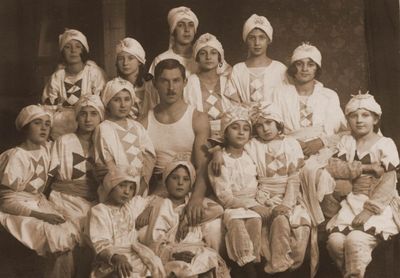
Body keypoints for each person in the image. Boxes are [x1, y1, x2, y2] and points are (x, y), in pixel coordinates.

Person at [142, 59, 223, 252]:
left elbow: (203, 166)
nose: (171, 88)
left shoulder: (197, 118)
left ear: (185, 82)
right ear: (155, 84)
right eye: (164, 81)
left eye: (176, 81)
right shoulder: (144, 121)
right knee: (146, 233)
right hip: (160, 195)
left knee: (213, 229)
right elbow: (143, 172)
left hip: (190, 191)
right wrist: (146, 205)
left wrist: (195, 198)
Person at [325, 92, 400, 277]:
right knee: (335, 241)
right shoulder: (346, 141)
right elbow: (335, 168)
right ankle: (352, 274)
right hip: (351, 203)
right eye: (353, 116)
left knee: (355, 240)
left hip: (378, 205)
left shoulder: (385, 143)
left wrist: (369, 210)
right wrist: (366, 168)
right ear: (348, 119)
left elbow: (388, 182)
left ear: (375, 119)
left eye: (365, 115)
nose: (359, 120)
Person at [0, 105, 79, 277]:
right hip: (17, 210)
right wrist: (43, 216)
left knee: (69, 229)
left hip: (37, 202)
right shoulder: (16, 156)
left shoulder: (45, 150)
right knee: (57, 237)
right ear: (25, 127)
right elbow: (6, 202)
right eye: (37, 123)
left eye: (47, 124)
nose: (44, 128)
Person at [247, 102, 311, 274]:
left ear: (278, 123)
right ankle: (276, 263)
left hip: (289, 195)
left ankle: (283, 264)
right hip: (263, 194)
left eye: (269, 123)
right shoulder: (252, 145)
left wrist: (287, 203)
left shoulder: (290, 144)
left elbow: (293, 178)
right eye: (259, 126)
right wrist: (262, 198)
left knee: (295, 223)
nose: (265, 129)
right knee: (274, 221)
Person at [145, 159, 229, 278]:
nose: (180, 183)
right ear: (166, 181)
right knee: (184, 270)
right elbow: (155, 241)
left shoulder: (193, 203)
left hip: (197, 249)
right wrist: (174, 254)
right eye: (174, 178)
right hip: (173, 253)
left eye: (185, 179)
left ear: (191, 184)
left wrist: (187, 219)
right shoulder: (163, 205)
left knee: (209, 260)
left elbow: (218, 209)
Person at [208, 106, 265, 277]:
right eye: (235, 127)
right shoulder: (220, 160)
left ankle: (251, 263)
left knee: (255, 222)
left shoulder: (250, 155)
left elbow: (259, 180)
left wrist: (260, 202)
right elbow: (224, 196)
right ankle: (247, 268)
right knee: (237, 222)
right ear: (225, 133)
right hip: (233, 206)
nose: (241, 133)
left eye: (246, 129)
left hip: (253, 203)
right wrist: (217, 151)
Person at [86, 167, 165, 278]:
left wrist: (147, 211)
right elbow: (100, 243)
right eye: (122, 185)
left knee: (151, 269)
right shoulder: (99, 211)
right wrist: (117, 257)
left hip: (135, 254)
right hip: (111, 258)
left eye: (131, 188)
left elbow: (156, 198)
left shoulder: (131, 206)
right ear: (111, 186)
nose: (127, 191)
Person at [272, 42, 347, 159]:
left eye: (311, 64)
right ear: (293, 67)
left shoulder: (329, 96)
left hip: (325, 153)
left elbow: (345, 131)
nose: (305, 69)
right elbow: (273, 129)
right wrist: (293, 144)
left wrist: (322, 141)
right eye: (299, 64)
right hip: (288, 153)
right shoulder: (280, 94)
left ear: (317, 68)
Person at [48, 95, 104, 238]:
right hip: (65, 198)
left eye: (93, 114)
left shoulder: (104, 144)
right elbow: (50, 175)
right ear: (76, 117)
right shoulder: (63, 141)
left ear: (101, 117)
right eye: (83, 114)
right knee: (71, 231)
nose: (88, 119)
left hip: (95, 199)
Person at [94, 77, 155, 195]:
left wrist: (141, 185)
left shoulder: (138, 127)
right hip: (116, 189)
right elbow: (106, 162)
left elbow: (149, 157)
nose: (123, 105)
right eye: (116, 100)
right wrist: (120, 187)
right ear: (108, 102)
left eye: (127, 99)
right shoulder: (104, 128)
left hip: (139, 187)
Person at [42, 29, 107, 139]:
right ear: (62, 52)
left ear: (84, 50)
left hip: (89, 123)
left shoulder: (94, 73)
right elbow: (48, 106)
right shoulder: (57, 77)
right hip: (62, 127)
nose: (73, 51)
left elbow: (101, 104)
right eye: (67, 47)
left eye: (78, 46)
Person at [224, 14, 287, 106]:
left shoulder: (279, 69)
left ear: (268, 40)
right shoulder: (238, 69)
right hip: (245, 118)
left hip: (274, 118)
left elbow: (287, 100)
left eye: (262, 37)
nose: (257, 43)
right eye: (252, 38)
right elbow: (233, 102)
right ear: (246, 40)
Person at [184, 33, 232, 141]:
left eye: (213, 53)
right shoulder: (190, 82)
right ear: (197, 58)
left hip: (228, 139)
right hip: (197, 139)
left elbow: (235, 112)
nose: (208, 57)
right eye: (203, 53)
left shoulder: (227, 81)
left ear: (220, 58)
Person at [115, 37, 158, 121]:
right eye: (121, 59)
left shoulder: (151, 85)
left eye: (130, 58)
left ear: (139, 61)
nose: (125, 63)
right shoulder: (113, 86)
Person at [148, 6, 199, 77]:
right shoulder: (161, 59)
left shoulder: (203, 58)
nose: (187, 29)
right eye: (181, 25)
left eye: (191, 25)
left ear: (195, 30)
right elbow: (152, 87)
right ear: (173, 31)